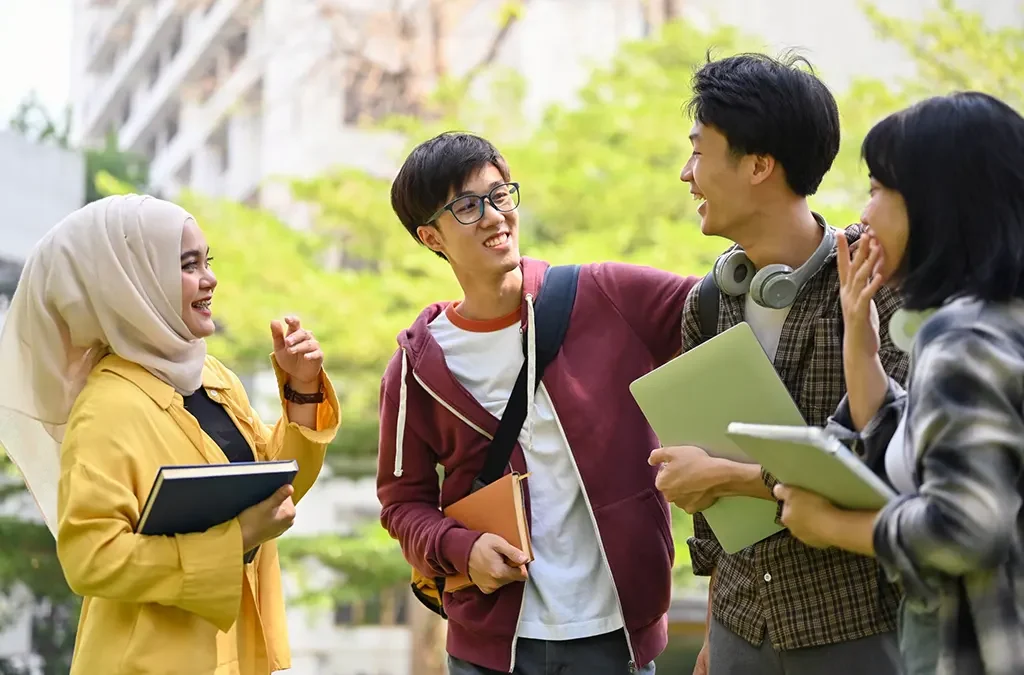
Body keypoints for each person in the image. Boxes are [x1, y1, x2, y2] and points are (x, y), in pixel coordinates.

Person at [376, 131, 698, 674]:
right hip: (490, 645)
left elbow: (724, 304)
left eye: (501, 195)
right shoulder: (417, 366)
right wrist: (462, 548)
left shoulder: (606, 296)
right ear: (432, 237)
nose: (494, 216)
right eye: (467, 206)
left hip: (616, 633)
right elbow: (402, 504)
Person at [0, 194, 340, 675]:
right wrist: (235, 538)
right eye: (187, 265)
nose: (210, 278)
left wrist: (303, 390)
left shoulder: (212, 376)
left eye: (208, 261)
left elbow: (278, 488)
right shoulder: (106, 408)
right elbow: (90, 558)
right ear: (132, 284)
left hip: (231, 656)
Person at [648, 53, 909, 674]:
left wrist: (726, 473)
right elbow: (715, 518)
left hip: (857, 627)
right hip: (741, 628)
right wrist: (714, 631)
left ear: (759, 164)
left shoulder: (879, 285)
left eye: (698, 153)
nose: (687, 175)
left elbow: (888, 464)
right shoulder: (706, 303)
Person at [775, 91, 1024, 675]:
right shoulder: (997, 320)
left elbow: (964, 529)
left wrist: (829, 526)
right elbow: (922, 449)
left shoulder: (965, 337)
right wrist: (858, 338)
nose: (863, 215)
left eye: (879, 188)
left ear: (938, 202)